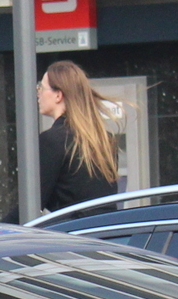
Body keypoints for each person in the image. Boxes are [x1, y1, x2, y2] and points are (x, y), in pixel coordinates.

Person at [36, 60, 121, 213]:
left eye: (41, 87)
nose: (38, 93)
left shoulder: (52, 140)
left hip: (72, 233)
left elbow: (33, 202)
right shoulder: (104, 140)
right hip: (105, 233)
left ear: (58, 95)